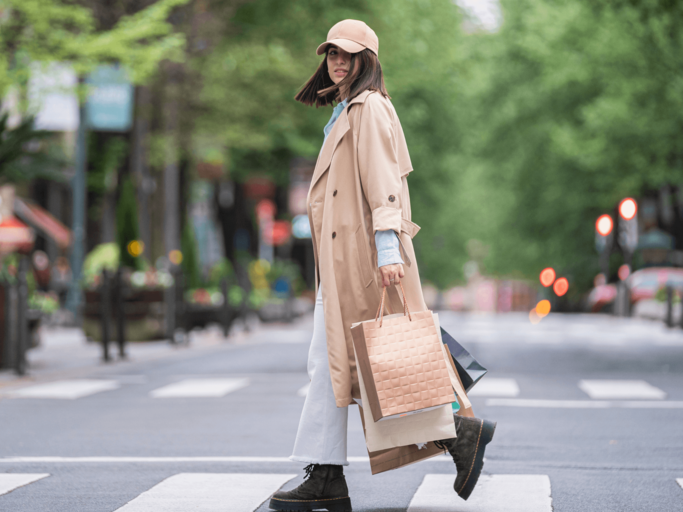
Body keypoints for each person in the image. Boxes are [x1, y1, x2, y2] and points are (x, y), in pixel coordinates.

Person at [269, 19, 496, 512]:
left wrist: (389, 249)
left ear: (368, 60)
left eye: (349, 55)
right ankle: (336, 469)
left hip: (364, 261)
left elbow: (383, 182)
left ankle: (451, 435)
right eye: (332, 53)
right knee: (352, 367)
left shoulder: (369, 108)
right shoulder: (349, 108)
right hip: (345, 262)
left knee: (371, 364)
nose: (338, 61)